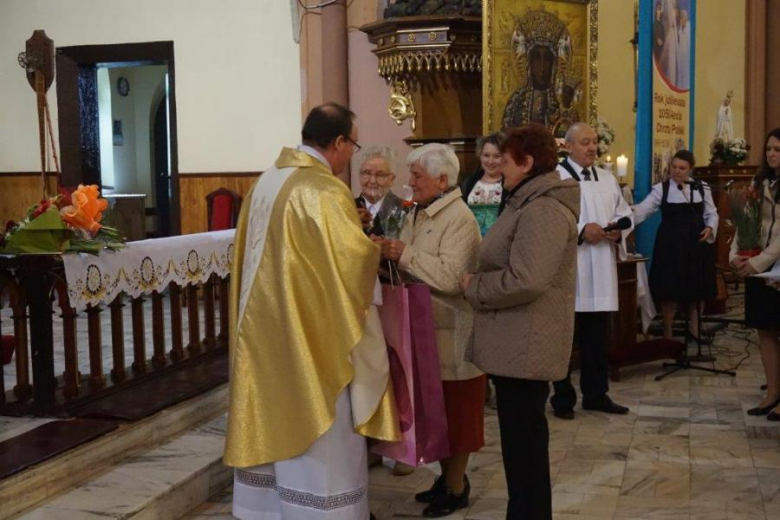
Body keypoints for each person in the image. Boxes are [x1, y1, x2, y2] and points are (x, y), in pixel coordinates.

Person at [224, 103, 400, 520]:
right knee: (322, 436)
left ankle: (267, 509)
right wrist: (372, 249)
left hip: (262, 333)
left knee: (269, 413)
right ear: (338, 142)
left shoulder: (266, 182)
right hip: (310, 339)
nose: (350, 157)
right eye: (352, 146)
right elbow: (349, 263)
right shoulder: (321, 190)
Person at [461, 124, 579, 520]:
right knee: (519, 445)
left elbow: (527, 279)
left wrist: (475, 285)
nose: (500, 170)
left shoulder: (543, 208)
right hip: (516, 340)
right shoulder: (526, 200)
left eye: (507, 162)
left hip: (527, 342)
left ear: (527, 163)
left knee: (525, 447)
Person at [380, 143, 484, 518]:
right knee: (435, 414)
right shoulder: (420, 214)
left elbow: (453, 278)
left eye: (417, 176)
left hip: (453, 333)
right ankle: (445, 480)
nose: (410, 182)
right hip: (424, 331)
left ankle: (457, 487)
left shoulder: (460, 219)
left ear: (443, 179)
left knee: (457, 416)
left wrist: (403, 254)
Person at [550, 122, 634, 420]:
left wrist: (617, 232)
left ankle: (596, 394)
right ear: (568, 146)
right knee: (564, 339)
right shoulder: (555, 177)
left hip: (600, 268)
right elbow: (549, 220)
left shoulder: (607, 179)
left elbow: (624, 215)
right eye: (585, 142)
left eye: (594, 141)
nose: (591, 147)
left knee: (596, 339)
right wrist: (582, 230)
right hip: (571, 269)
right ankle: (562, 398)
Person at [632, 150, 718, 341]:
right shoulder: (661, 189)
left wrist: (710, 227)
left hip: (697, 244)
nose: (677, 171)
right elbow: (643, 210)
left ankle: (695, 329)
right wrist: (624, 216)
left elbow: (712, 213)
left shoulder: (701, 187)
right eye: (674, 167)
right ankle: (668, 334)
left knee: (698, 288)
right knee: (670, 290)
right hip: (671, 245)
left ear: (690, 169)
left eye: (682, 168)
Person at [731, 128, 780, 420]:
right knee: (765, 329)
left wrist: (760, 262)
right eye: (769, 149)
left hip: (774, 266)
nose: (772, 154)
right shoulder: (759, 181)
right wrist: (736, 255)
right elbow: (745, 222)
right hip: (759, 267)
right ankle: (772, 392)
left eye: (778, 149)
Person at [355, 145, 403, 237]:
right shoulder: (347, 208)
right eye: (367, 173)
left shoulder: (404, 210)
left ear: (392, 179)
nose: (372, 181)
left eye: (380, 175)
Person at [461, 132, 505, 205]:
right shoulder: (468, 182)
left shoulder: (510, 184)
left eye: (497, 156)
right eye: (486, 155)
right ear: (480, 156)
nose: (490, 161)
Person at [675, 8, 691, 90]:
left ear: (685, 18)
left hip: (687, 60)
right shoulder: (679, 30)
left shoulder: (689, 30)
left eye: (682, 18)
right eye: (680, 18)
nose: (680, 20)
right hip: (681, 59)